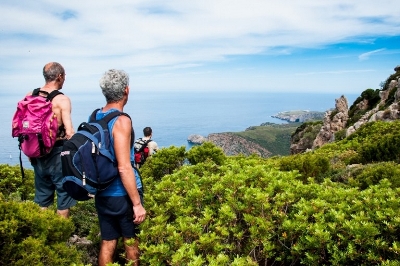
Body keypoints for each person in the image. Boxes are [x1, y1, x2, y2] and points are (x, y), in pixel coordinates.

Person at [95, 69, 146, 266]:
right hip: (121, 194)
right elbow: (124, 167)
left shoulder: (96, 116)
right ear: (126, 90)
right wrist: (136, 204)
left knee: (108, 241)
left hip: (102, 192)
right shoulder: (122, 120)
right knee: (130, 242)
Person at [30, 62, 76, 218]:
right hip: (56, 153)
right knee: (63, 195)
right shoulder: (61, 100)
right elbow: (69, 132)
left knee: (42, 199)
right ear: (59, 76)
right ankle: (61, 238)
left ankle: (42, 238)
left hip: (36, 153)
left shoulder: (30, 96)